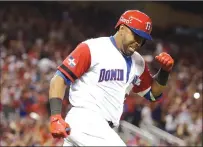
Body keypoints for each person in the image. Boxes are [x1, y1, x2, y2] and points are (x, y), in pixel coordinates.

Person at [49, 10, 174, 146]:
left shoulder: (138, 62)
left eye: (143, 39)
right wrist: (56, 116)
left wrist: (164, 72)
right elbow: (59, 78)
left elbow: (153, 94)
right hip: (85, 119)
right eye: (136, 35)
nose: (139, 42)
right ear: (122, 28)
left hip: (106, 128)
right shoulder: (93, 48)